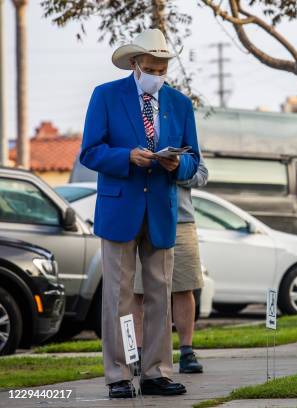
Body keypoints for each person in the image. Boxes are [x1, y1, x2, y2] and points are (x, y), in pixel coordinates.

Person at [80, 28, 200, 398]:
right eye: (151, 66)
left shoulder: (180, 103)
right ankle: (118, 374)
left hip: (162, 210)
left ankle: (156, 372)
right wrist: (126, 156)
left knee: (160, 292)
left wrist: (174, 167)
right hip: (119, 209)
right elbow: (90, 151)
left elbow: (193, 159)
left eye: (163, 67)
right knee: (118, 296)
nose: (158, 73)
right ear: (135, 63)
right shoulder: (105, 96)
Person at [133, 154, 208, 374]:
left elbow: (202, 174)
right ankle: (137, 353)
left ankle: (186, 351)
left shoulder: (181, 132)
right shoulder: (136, 131)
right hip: (143, 218)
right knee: (138, 291)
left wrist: (176, 169)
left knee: (185, 286)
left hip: (181, 219)